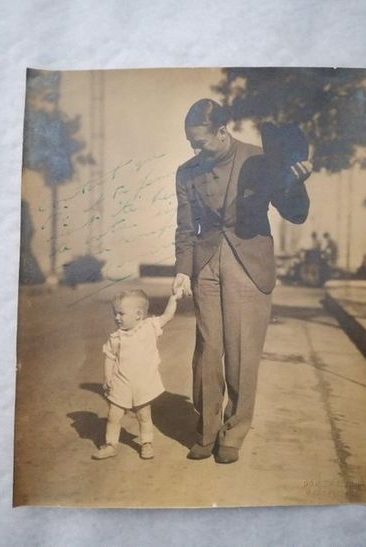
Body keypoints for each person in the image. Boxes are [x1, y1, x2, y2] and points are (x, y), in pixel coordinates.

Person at [172, 99, 311, 464]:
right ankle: (206, 430)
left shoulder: (259, 160)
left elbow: (294, 212)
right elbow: (186, 228)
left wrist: (296, 183)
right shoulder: (185, 173)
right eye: (189, 141)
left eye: (198, 141)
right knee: (207, 348)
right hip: (206, 265)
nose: (193, 148)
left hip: (248, 264)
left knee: (242, 352)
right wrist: (183, 270)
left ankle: (234, 431)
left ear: (221, 131)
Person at [92, 289, 181, 461]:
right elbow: (109, 357)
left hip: (142, 383)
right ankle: (111, 445)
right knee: (113, 415)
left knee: (144, 415)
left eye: (121, 313)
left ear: (139, 315)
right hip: (121, 383)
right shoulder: (116, 338)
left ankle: (146, 443)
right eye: (114, 313)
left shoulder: (149, 327)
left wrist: (174, 298)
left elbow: (167, 316)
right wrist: (107, 377)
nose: (116, 317)